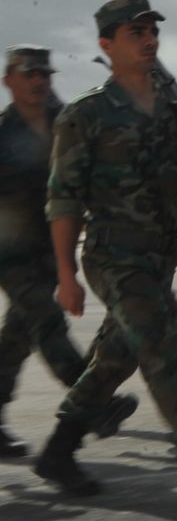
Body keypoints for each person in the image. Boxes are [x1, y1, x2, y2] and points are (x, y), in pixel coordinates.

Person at [33, 0, 177, 499]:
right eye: (136, 32)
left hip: (158, 257)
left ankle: (59, 448)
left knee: (117, 356)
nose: (150, 38)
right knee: (162, 345)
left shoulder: (174, 108)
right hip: (114, 256)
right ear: (106, 45)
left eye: (152, 29)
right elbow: (62, 200)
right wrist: (66, 276)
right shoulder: (86, 115)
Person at [0, 46, 110, 458]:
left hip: (47, 248)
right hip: (9, 253)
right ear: (8, 80)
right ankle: (93, 404)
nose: (39, 81)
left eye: (44, 73)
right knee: (47, 324)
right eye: (29, 74)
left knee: (17, 336)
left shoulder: (65, 123)